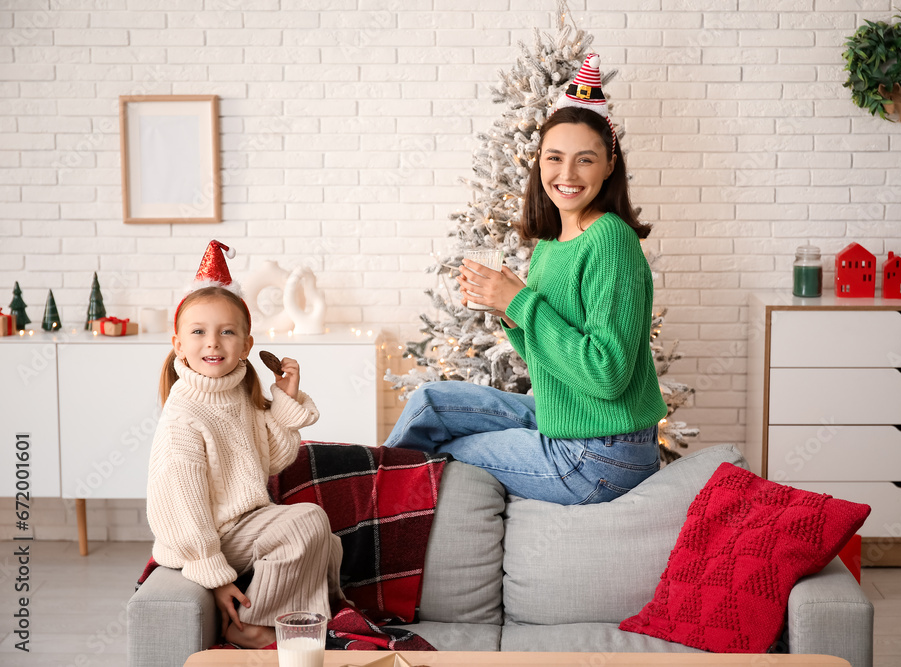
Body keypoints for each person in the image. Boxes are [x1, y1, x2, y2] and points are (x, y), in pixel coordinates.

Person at [384, 55, 668, 505]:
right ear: (539, 163)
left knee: (446, 453)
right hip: (570, 421)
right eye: (554, 158)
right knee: (430, 401)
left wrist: (522, 304)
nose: (567, 175)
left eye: (585, 160)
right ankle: (367, 487)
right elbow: (548, 362)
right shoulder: (553, 244)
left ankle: (373, 512)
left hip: (602, 455)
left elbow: (607, 375)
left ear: (609, 166)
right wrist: (509, 311)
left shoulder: (610, 239)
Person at [147, 241, 342, 649]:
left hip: (246, 523)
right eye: (198, 332)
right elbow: (182, 505)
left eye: (226, 332)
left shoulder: (239, 394)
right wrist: (214, 576)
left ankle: (304, 617)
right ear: (178, 344)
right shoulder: (184, 416)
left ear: (247, 345)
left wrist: (284, 399)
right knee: (305, 521)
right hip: (209, 536)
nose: (213, 343)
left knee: (323, 535)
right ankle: (250, 622)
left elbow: (275, 459)